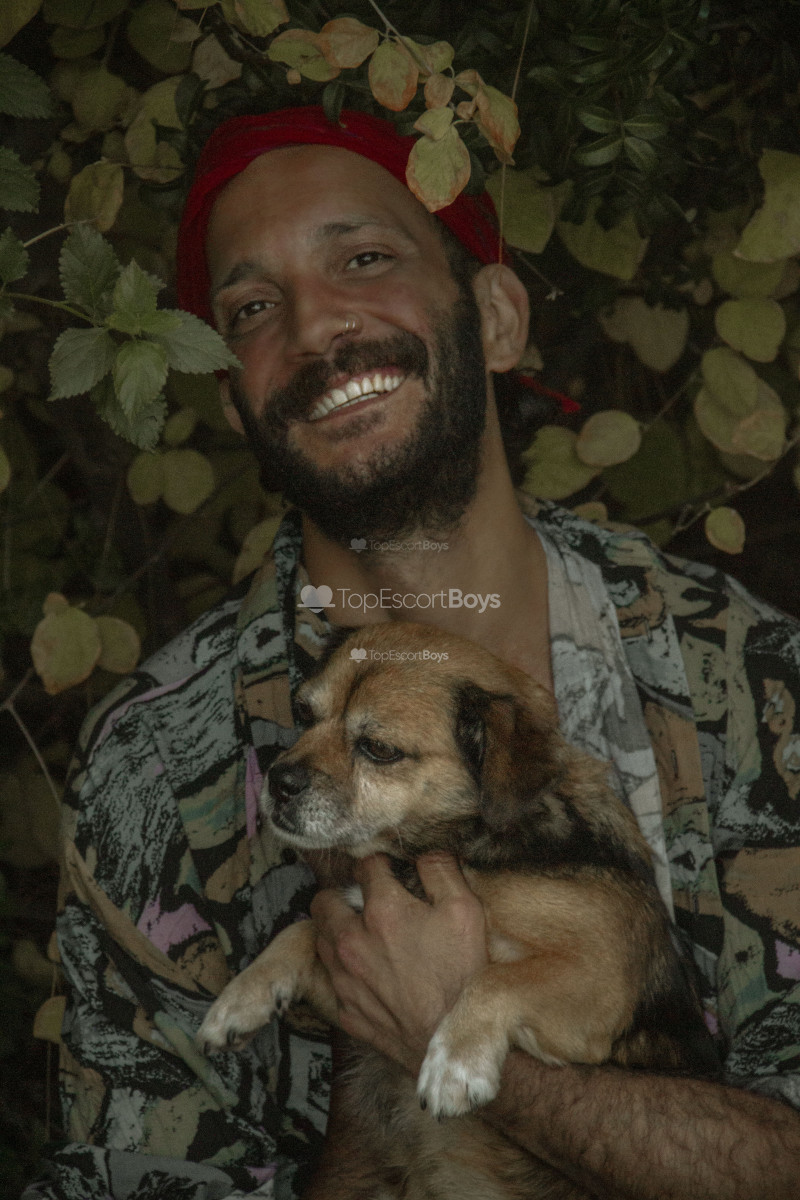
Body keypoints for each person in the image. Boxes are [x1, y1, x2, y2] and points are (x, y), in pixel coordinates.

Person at [23, 105, 800, 1200]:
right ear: (233, 401)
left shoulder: (758, 683)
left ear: (495, 317)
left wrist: (470, 1050)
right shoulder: (151, 764)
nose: (314, 326)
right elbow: (134, 1177)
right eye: (252, 308)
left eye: (364, 258)